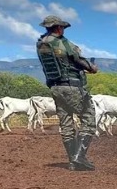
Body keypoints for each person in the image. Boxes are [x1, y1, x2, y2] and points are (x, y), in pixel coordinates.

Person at [36, 15, 99, 171]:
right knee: (88, 118)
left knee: (66, 123)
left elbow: (61, 62)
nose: (63, 30)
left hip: (55, 87)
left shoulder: (41, 44)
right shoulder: (63, 43)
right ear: (58, 27)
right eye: (62, 27)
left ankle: (72, 161)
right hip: (72, 86)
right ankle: (79, 157)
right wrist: (91, 67)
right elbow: (77, 59)